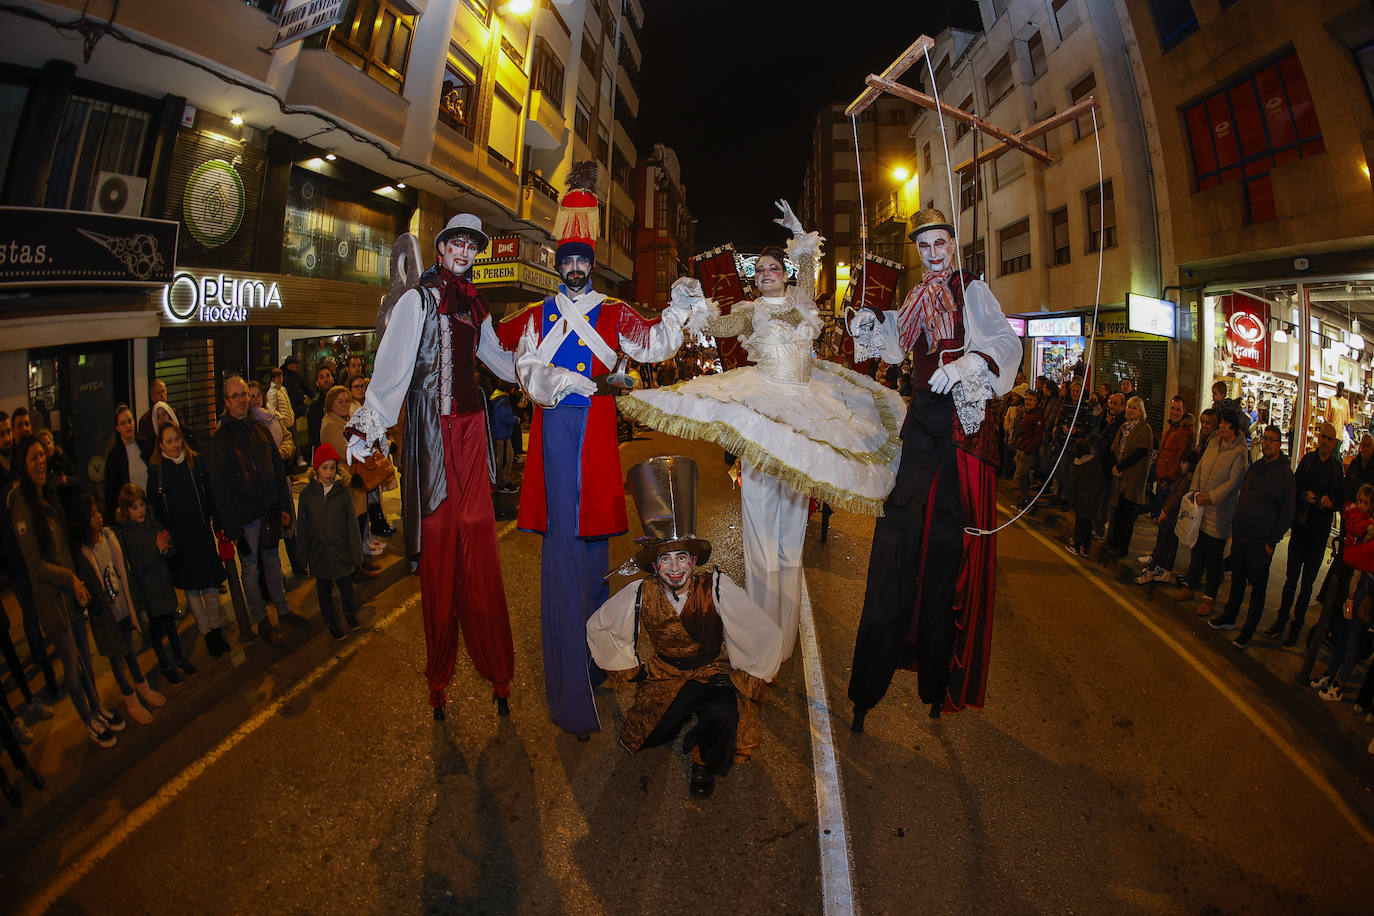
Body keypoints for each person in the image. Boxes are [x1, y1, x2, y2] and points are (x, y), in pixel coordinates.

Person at [619, 200, 902, 662]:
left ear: (785, 273)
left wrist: (801, 236)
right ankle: (756, 633)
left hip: (805, 414)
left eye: (774, 267)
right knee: (758, 530)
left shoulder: (803, 302)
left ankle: (781, 636)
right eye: (762, 269)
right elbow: (716, 323)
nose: (767, 273)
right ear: (755, 278)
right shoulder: (751, 311)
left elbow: (809, 264)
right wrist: (692, 305)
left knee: (791, 535)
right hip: (761, 407)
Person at [493, 165, 694, 737]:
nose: (576, 265)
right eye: (569, 257)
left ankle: (597, 659)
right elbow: (519, 368)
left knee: (595, 562)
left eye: (583, 256)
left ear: (591, 261)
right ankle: (569, 682)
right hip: (558, 440)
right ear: (558, 261)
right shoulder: (533, 316)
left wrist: (680, 307)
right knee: (563, 558)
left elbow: (655, 341)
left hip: (600, 441)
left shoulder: (613, 311)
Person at [845, 207, 1021, 727]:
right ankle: (868, 683)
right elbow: (898, 341)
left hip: (960, 430)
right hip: (922, 419)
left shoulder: (972, 288)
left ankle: (938, 679)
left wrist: (969, 364)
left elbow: (1006, 342)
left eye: (940, 243)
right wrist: (871, 323)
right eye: (924, 247)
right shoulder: (918, 295)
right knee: (895, 537)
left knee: (948, 546)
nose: (933, 253)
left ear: (953, 243)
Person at [345, 214, 517, 721]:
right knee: (441, 557)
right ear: (441, 249)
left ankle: (498, 674)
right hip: (433, 436)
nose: (464, 251)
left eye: (471, 245)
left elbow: (505, 365)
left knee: (480, 550)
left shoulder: (475, 305)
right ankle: (438, 680)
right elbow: (393, 367)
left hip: (469, 434)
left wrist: (553, 366)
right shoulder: (417, 302)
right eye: (456, 243)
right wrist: (369, 423)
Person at [585, 457, 783, 798]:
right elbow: (599, 625)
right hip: (665, 675)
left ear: (693, 562)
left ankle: (702, 759)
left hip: (712, 673)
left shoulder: (716, 586)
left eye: (681, 558)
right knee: (646, 738)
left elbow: (762, 630)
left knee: (723, 714)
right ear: (656, 565)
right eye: (665, 559)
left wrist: (749, 672)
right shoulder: (640, 592)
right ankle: (682, 718)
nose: (674, 568)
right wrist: (629, 667)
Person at [205, 375, 295, 646]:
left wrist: (283, 505)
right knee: (251, 570)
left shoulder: (260, 429)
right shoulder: (220, 440)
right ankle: (261, 620)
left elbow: (277, 472)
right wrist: (230, 526)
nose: (242, 400)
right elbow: (218, 487)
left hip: (268, 512)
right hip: (244, 521)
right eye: (235, 396)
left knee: (273, 563)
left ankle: (283, 609)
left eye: (244, 394)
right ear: (226, 402)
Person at [70, 493, 167, 726]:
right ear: (84, 521)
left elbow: (121, 571)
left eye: (97, 512)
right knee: (117, 657)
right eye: (92, 515)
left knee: (130, 650)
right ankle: (130, 699)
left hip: (123, 607)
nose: (98, 517)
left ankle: (141, 687)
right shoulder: (84, 554)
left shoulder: (109, 537)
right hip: (106, 616)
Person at [146, 421, 230, 657]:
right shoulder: (157, 471)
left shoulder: (196, 462)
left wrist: (218, 524)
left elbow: (210, 494)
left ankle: (216, 628)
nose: (174, 445)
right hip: (180, 539)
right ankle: (206, 632)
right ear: (160, 445)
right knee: (192, 589)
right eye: (169, 441)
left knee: (211, 585)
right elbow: (154, 507)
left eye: (176, 439)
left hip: (201, 533)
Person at [1207, 425, 1295, 646]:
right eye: (1264, 439)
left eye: (1272, 440)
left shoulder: (1285, 474)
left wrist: (1271, 542)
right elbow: (1243, 495)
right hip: (1242, 537)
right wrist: (1235, 531)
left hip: (1260, 542)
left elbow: (1287, 512)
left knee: (1257, 588)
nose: (1266, 443)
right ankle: (1229, 616)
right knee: (1237, 580)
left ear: (1279, 444)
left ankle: (1248, 630)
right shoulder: (1256, 467)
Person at [1168, 409, 1250, 610]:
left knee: (1214, 557)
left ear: (1234, 428)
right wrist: (1195, 491)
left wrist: (1211, 497)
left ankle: (1209, 597)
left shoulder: (1240, 453)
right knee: (1197, 549)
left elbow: (1233, 482)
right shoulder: (1214, 443)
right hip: (1201, 509)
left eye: (1225, 424)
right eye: (1220, 423)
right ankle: (1190, 585)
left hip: (1219, 512)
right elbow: (1201, 467)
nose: (1220, 426)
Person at [1271, 422, 1344, 645]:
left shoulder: (1336, 468)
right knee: (1290, 580)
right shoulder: (1308, 461)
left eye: (1329, 439)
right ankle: (1282, 619)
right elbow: (1294, 486)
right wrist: (1304, 495)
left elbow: (1341, 499)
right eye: (1322, 437)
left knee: (1307, 585)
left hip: (1319, 535)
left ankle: (1296, 626)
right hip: (1301, 531)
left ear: (1334, 443)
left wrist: (1329, 502)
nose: (1324, 441)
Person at [117, 482, 197, 683]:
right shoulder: (127, 534)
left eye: (141, 505)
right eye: (135, 507)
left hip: (162, 582)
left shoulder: (153, 522)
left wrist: (166, 548)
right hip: (148, 589)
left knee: (171, 625)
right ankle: (165, 665)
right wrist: (157, 549)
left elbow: (168, 546)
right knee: (156, 631)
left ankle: (179, 658)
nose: (141, 510)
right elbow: (138, 563)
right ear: (127, 511)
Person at [295, 444, 362, 641]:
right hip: (319, 554)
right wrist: (303, 556)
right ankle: (331, 622)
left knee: (346, 585)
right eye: (325, 468)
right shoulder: (307, 496)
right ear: (316, 469)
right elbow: (303, 528)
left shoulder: (342, 494)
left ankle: (349, 613)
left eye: (332, 468)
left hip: (340, 551)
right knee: (324, 590)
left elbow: (352, 526)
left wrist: (356, 553)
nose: (329, 473)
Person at [1100, 396, 1155, 562]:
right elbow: (1114, 448)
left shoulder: (1145, 429)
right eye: (1130, 407)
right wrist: (1114, 466)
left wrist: (1120, 466)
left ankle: (1122, 548)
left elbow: (1140, 452)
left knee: (1127, 516)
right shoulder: (1124, 427)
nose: (1131, 410)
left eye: (1135, 408)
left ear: (1141, 411)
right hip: (1120, 476)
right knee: (1117, 512)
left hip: (1132, 478)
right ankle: (1113, 542)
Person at [1135, 449, 1199, 584]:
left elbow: (1176, 498)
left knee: (1164, 544)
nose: (1181, 465)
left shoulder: (1187, 480)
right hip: (1174, 518)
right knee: (1168, 544)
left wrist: (1164, 512)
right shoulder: (1186, 478)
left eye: (1184, 463)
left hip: (1172, 517)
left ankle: (1152, 571)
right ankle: (1162, 570)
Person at [103, 405, 151, 519]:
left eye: (129, 421)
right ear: (118, 428)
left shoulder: (146, 445)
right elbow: (111, 491)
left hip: (151, 506)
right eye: (123, 423)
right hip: (131, 513)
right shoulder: (114, 456)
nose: (128, 426)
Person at [1152, 395, 1196, 513]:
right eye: (1173, 408)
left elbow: (1180, 458)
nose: (1174, 412)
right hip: (1162, 481)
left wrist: (1169, 478)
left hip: (1169, 484)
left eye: (1178, 409)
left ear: (1184, 411)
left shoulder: (1184, 432)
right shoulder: (1171, 428)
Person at [1066, 437, 1104, 558]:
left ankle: (1076, 546)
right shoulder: (1096, 466)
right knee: (1087, 524)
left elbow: (1073, 488)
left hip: (1081, 500)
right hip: (1093, 500)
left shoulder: (1077, 468)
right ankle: (1085, 548)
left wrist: (1071, 503)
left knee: (1079, 524)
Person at [1013, 389, 1044, 509]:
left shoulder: (1037, 415)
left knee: (1020, 477)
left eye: (1030, 400)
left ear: (1036, 402)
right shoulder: (1027, 413)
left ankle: (1026, 502)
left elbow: (1038, 436)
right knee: (1022, 478)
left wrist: (1027, 449)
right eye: (1026, 399)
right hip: (1022, 449)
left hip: (1027, 452)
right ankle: (1023, 500)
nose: (1028, 402)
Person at [307, 365, 333, 451]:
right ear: (317, 383)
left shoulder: (341, 399)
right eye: (321, 377)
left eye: (328, 376)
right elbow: (314, 435)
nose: (326, 379)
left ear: (332, 379)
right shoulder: (314, 406)